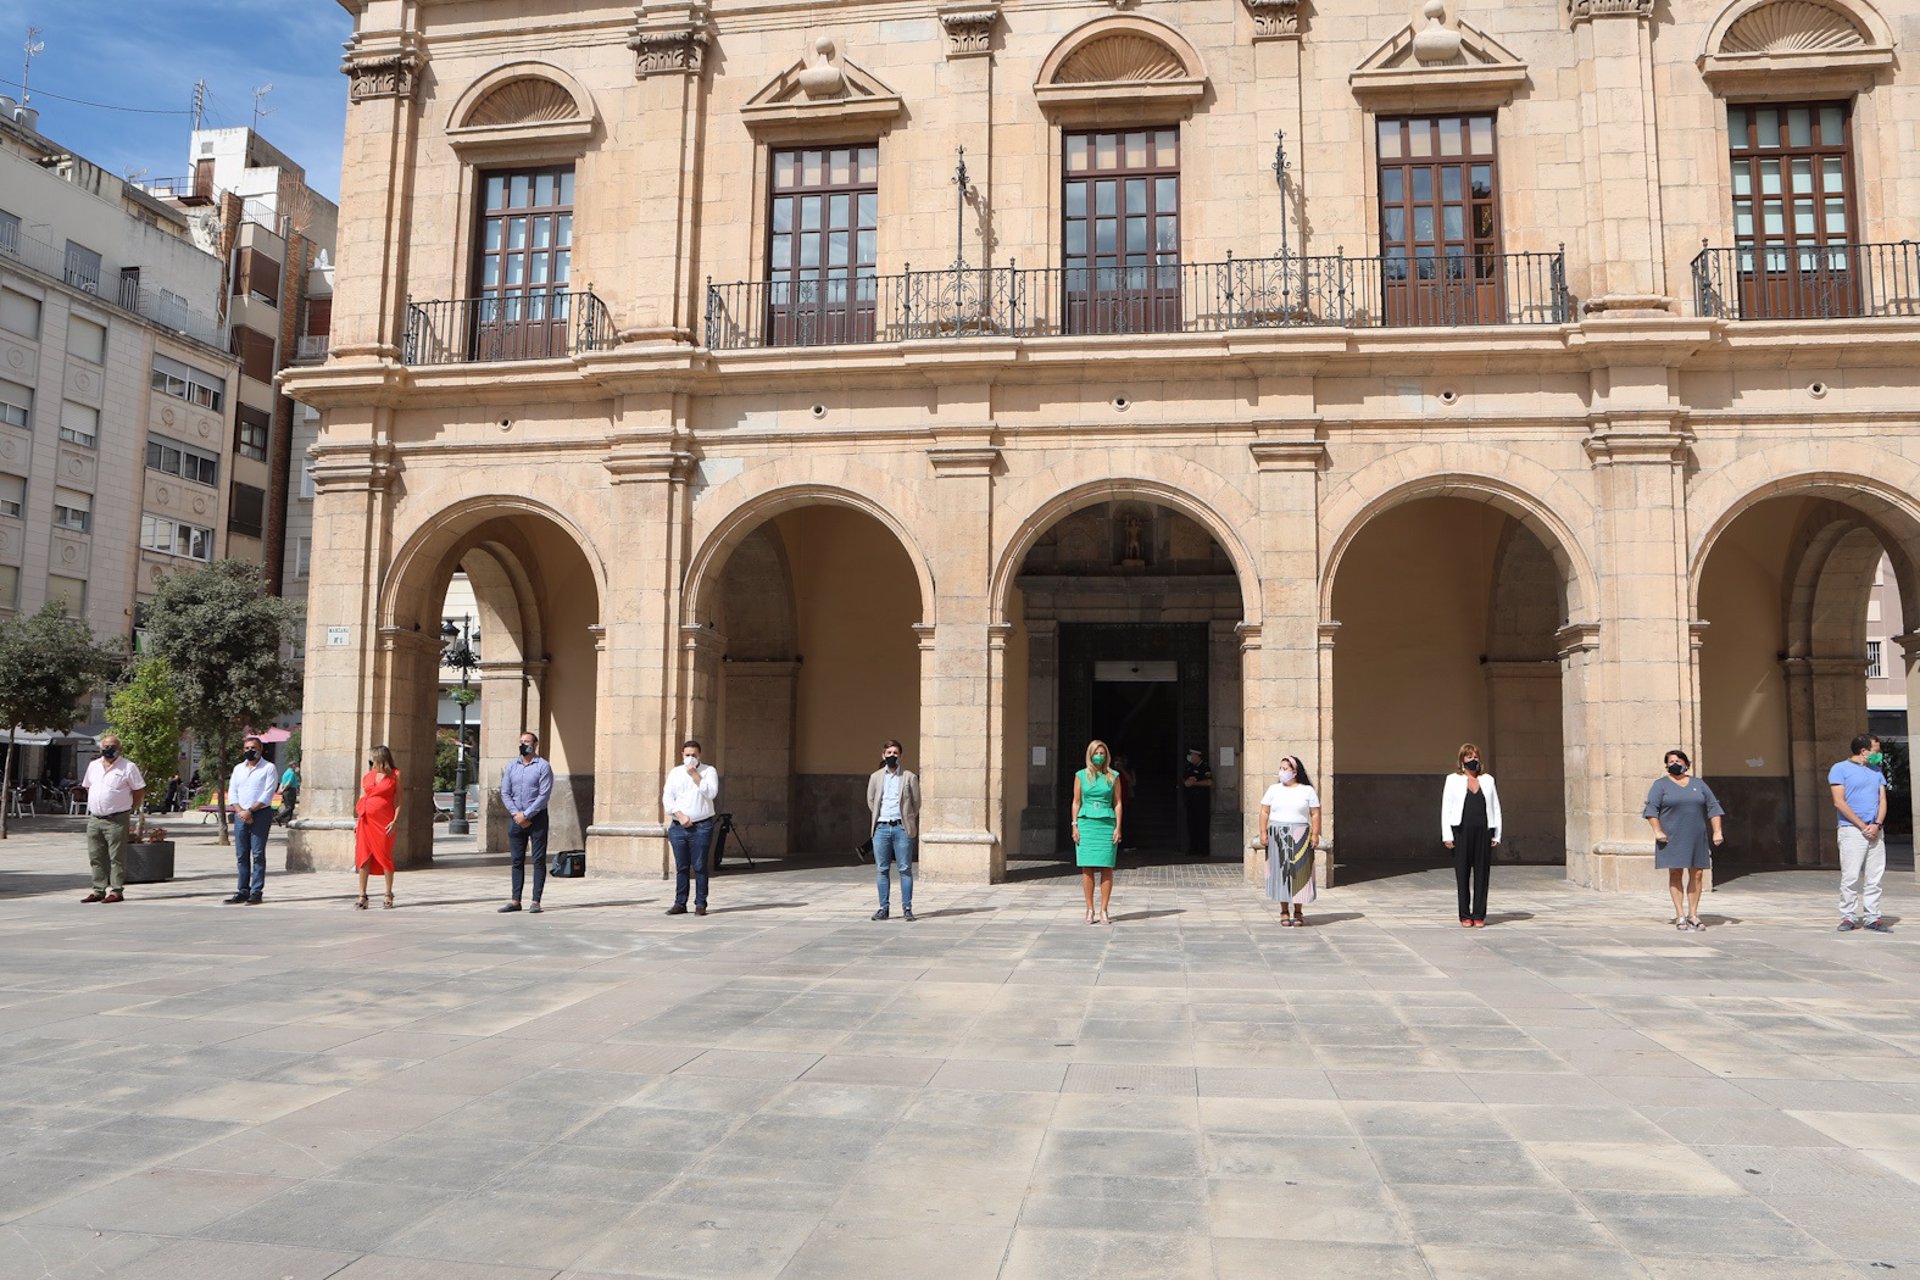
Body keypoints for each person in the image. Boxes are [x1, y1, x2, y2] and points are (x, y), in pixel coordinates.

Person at [1644, 749, 1724, 932]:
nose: (1675, 763)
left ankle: (1693, 914)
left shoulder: (1698, 784)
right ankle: (1680, 915)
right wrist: (1658, 831)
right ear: (1666, 765)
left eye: (1679, 760)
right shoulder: (1660, 785)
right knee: (1675, 873)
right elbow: (1651, 811)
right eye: (1671, 761)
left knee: (1697, 874)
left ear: (1686, 764)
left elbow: (1713, 807)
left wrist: (1717, 831)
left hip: (1696, 835)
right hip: (1671, 836)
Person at [1831, 733, 1892, 933]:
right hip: (1852, 830)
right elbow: (1839, 801)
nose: (1879, 754)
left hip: (1875, 830)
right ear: (1864, 751)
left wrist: (1877, 824)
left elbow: (1882, 799)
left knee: (1875, 876)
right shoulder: (1840, 769)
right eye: (1876, 750)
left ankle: (1872, 917)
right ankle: (1848, 917)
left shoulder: (1877, 771)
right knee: (1851, 876)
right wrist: (1861, 826)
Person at [1441, 743, 1504, 928]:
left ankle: (1479, 914)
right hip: (1461, 831)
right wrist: (1447, 835)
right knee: (1462, 873)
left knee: (1482, 873)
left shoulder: (1488, 780)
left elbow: (1495, 807)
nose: (1473, 760)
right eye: (1469, 757)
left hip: (1484, 831)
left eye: (1475, 757)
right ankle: (1464, 915)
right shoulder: (1452, 780)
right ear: (1462, 760)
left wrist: (1497, 834)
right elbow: (1446, 808)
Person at [80, 735, 145, 904]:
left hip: (117, 818)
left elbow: (138, 790)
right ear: (100, 748)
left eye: (112, 746)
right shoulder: (93, 766)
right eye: (106, 746)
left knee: (116, 856)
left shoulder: (128, 767)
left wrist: (130, 808)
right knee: (95, 855)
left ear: (119, 749)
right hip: (95, 818)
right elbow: (89, 787)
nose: (109, 749)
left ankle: (116, 891)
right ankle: (98, 889)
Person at [1258, 754, 1320, 926]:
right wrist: (1263, 832)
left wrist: (1315, 834)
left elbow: (1315, 813)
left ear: (1295, 771)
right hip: (1278, 834)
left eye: (1285, 769)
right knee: (1281, 873)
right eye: (1281, 768)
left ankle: (1298, 911)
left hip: (1300, 834)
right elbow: (1264, 811)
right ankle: (1284, 911)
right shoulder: (1273, 789)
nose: (1282, 772)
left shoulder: (1307, 790)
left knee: (1299, 873)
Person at [663, 738, 719, 916]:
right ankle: (680, 902)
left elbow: (711, 793)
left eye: (694, 755)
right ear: (682, 755)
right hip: (679, 826)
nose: (690, 758)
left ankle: (701, 903)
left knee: (700, 865)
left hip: (701, 826)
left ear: (699, 755)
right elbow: (667, 799)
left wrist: (695, 775)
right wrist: (679, 815)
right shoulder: (675, 773)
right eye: (687, 755)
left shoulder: (708, 771)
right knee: (682, 866)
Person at [499, 730, 554, 914]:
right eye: (522, 741)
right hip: (516, 819)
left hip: (537, 818)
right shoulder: (511, 766)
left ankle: (536, 900)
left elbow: (544, 794)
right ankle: (515, 900)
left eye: (528, 741)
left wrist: (527, 815)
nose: (524, 744)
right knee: (516, 860)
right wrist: (517, 814)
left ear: (535, 744)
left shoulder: (543, 766)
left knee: (538, 860)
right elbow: (505, 792)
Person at [867, 739, 921, 921]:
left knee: (905, 869)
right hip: (881, 828)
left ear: (900, 756)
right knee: (882, 869)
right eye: (889, 753)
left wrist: (907, 819)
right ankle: (884, 908)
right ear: (883, 755)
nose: (892, 756)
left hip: (901, 827)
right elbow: (871, 800)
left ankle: (907, 908)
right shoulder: (875, 777)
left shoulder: (909, 777)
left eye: (895, 753)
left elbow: (916, 802)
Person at [1072, 739, 1122, 925]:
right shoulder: (1081, 775)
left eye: (1102, 753)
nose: (1099, 756)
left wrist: (1118, 826)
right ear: (1090, 755)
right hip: (1086, 823)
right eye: (1096, 753)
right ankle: (1090, 909)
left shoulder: (1113, 776)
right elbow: (1076, 802)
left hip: (1106, 824)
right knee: (1087, 867)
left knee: (1107, 867)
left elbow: (1117, 803)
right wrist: (1074, 825)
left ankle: (1104, 910)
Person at [227, 735, 277, 904]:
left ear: (261, 749)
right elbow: (233, 791)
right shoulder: (238, 769)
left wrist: (250, 811)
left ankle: (256, 891)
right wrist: (240, 811)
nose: (250, 751)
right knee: (241, 854)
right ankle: (242, 889)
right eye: (247, 748)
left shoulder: (269, 768)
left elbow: (268, 793)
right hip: (240, 815)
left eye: (253, 748)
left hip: (260, 814)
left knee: (257, 854)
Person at [354, 745, 402, 909]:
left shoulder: (395, 775)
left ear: (381, 759)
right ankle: (362, 895)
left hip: (384, 822)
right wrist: (358, 820)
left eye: (373, 759)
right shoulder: (368, 776)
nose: (371, 762)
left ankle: (388, 893)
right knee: (363, 856)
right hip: (365, 821)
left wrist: (394, 821)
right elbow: (363, 796)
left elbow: (399, 801)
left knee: (384, 856)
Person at [1182, 747, 1213, 857]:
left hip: (1202, 803)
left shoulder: (1205, 767)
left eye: (1193, 755)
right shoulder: (1188, 767)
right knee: (1192, 825)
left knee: (1202, 825)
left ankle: (1203, 849)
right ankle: (1193, 848)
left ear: (1197, 756)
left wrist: (1195, 783)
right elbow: (1185, 782)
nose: (1191, 757)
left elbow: (1209, 782)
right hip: (1191, 802)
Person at [276, 759, 300, 825]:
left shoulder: (285, 773)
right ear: (293, 765)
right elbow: (288, 783)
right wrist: (283, 790)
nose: (297, 767)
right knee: (290, 807)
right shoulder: (291, 773)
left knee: (288, 807)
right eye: (296, 765)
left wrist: (280, 790)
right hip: (290, 790)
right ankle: (279, 817)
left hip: (286, 791)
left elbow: (282, 782)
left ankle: (288, 822)